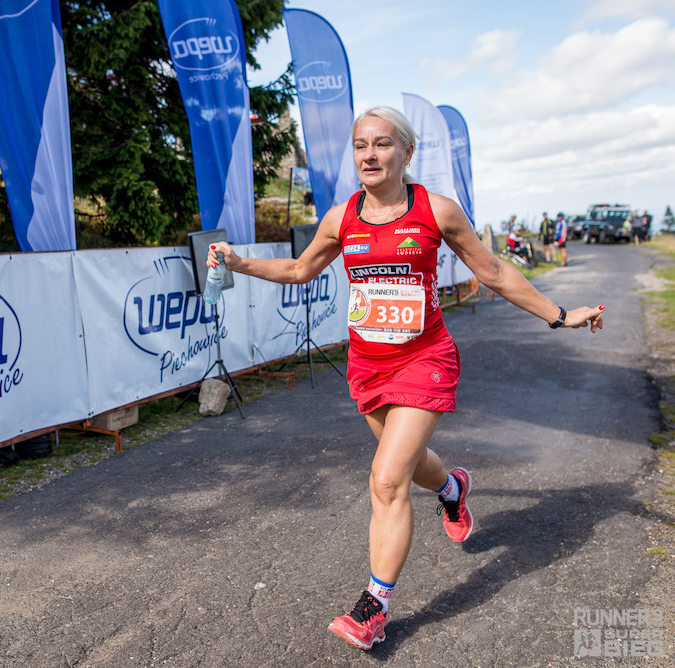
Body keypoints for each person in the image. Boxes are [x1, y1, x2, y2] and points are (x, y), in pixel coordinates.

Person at [206, 106, 605, 652]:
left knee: (387, 480)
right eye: (360, 145)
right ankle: (452, 488)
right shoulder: (341, 218)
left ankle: (373, 608)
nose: (369, 155)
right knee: (412, 466)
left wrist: (560, 316)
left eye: (382, 143)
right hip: (368, 365)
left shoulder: (436, 211)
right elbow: (299, 270)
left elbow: (492, 272)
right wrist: (239, 262)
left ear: (406, 152)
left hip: (425, 359)